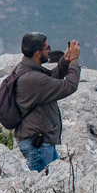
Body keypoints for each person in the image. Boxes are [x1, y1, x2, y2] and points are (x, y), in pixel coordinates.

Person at [13, 32, 82, 172]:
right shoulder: (32, 77)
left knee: (55, 183)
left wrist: (65, 60)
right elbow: (69, 86)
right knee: (40, 188)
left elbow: (50, 78)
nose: (50, 51)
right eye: (47, 48)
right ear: (38, 53)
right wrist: (74, 61)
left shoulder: (26, 68)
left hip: (40, 141)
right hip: (38, 145)